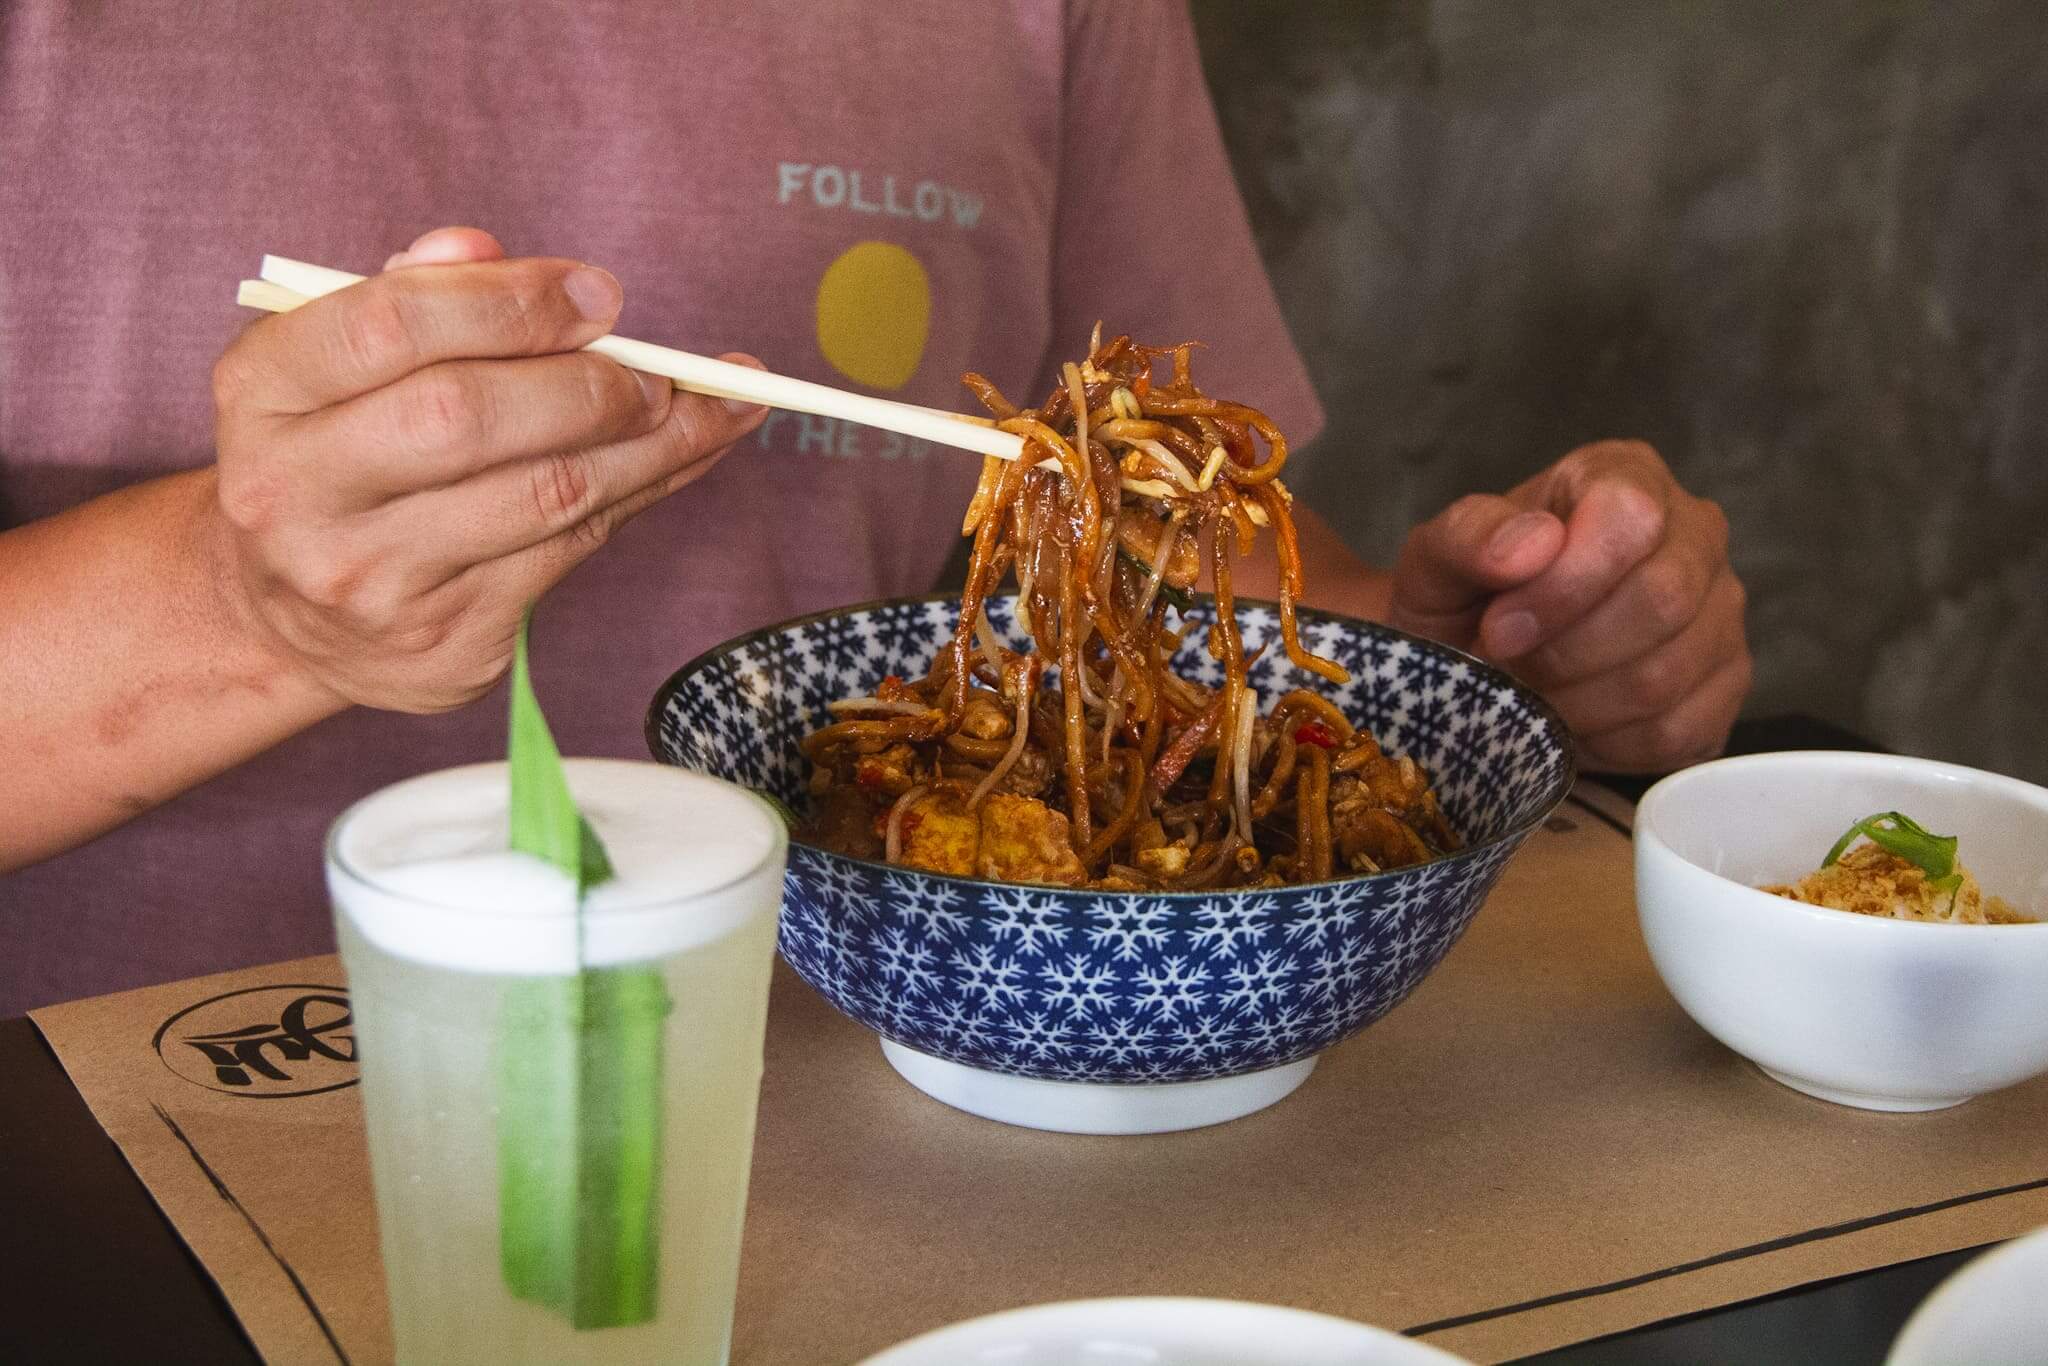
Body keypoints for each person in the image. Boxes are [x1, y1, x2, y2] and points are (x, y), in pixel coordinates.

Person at [0, 1, 1746, 1014]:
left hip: (892, 1102)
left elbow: (1131, 513)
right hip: (165, 1141)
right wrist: (246, 607)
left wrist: (1430, 658)